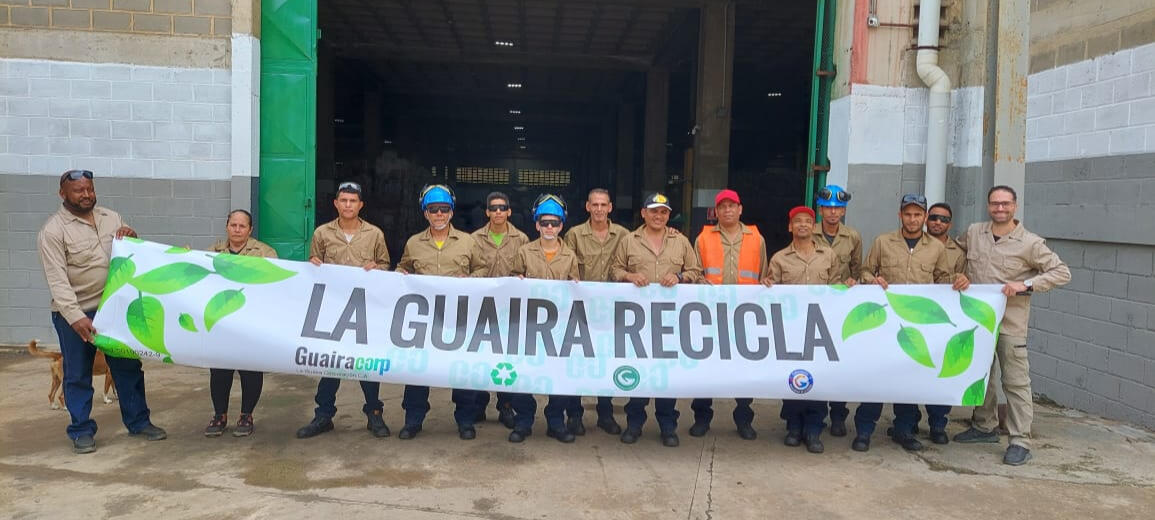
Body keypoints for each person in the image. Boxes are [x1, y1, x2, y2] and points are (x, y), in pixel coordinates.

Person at [37, 169, 167, 454]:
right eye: (79, 191)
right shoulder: (53, 231)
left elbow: (131, 250)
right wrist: (76, 318)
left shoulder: (111, 217)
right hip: (76, 313)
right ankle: (81, 431)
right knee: (77, 373)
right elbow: (57, 281)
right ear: (62, 194)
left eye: (90, 189)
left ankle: (139, 422)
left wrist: (132, 235)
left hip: (113, 308)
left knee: (127, 368)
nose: (86, 195)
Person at [952, 186, 1070, 466]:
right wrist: (958, 274)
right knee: (982, 376)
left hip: (1010, 323)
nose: (1000, 208)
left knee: (1015, 382)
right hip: (978, 321)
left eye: (1005, 204)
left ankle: (1020, 440)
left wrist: (1025, 284)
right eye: (995, 203)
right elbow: (954, 254)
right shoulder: (974, 233)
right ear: (988, 206)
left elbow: (1061, 272)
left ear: (1015, 206)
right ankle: (984, 426)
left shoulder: (1030, 243)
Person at [857, 194, 970, 453]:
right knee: (877, 376)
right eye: (907, 214)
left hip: (918, 324)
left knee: (909, 378)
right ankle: (864, 430)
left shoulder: (936, 248)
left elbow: (942, 279)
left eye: (917, 214)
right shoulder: (883, 242)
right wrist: (872, 280)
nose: (912, 219)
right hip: (886, 322)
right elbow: (865, 270)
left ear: (924, 217)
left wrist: (960, 280)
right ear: (900, 215)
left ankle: (904, 430)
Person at [296, 182, 393, 440]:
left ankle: (374, 413)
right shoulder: (322, 233)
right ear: (336, 204)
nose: (348, 205)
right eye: (344, 200)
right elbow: (313, 266)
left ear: (360, 205)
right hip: (333, 311)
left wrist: (378, 268)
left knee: (366, 364)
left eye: (353, 201)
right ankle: (323, 415)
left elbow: (385, 265)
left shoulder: (374, 234)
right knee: (331, 364)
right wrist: (313, 264)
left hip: (364, 310)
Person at [395, 184, 489, 440]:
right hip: (424, 320)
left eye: (444, 209)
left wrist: (469, 278)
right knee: (418, 370)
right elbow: (403, 268)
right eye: (433, 209)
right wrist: (399, 274)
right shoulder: (414, 243)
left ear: (451, 212)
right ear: (425, 213)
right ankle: (413, 420)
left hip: (459, 318)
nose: (439, 214)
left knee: (461, 370)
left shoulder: (467, 242)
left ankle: (465, 420)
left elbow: (482, 269)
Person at [609, 192, 703, 447]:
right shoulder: (629, 241)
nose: (658, 216)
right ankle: (634, 424)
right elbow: (614, 270)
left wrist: (680, 277)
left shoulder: (680, 241)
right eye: (653, 211)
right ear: (643, 213)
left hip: (670, 322)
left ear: (668, 215)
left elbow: (696, 271)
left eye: (663, 212)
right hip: (637, 323)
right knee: (638, 373)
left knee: (666, 376)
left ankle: (668, 426)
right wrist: (629, 276)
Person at [763, 206, 855, 453]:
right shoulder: (779, 258)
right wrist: (767, 285)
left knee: (817, 377)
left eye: (807, 221)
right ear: (790, 226)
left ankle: (814, 429)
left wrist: (846, 287)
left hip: (820, 328)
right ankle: (793, 426)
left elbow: (835, 287)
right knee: (792, 376)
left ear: (813, 227)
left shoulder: (828, 256)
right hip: (791, 329)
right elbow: (771, 291)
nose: (802, 224)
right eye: (797, 221)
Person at [689, 189, 769, 440]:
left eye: (732, 206)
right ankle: (702, 418)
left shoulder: (757, 238)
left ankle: (744, 418)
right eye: (722, 207)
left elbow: (763, 274)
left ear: (740, 209)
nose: (727, 210)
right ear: (716, 211)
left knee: (744, 369)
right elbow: (695, 272)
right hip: (710, 315)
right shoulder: (703, 238)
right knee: (706, 368)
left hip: (744, 315)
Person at [507, 194, 580, 444]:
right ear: (537, 224)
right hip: (528, 325)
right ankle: (523, 421)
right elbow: (514, 279)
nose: (550, 227)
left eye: (555, 223)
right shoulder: (524, 251)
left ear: (562, 226)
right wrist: (516, 280)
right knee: (524, 374)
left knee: (559, 375)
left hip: (559, 327)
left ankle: (556, 422)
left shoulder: (570, 256)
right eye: (545, 223)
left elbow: (575, 288)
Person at [202, 209, 277, 438]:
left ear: (250, 229)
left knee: (250, 369)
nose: (237, 230)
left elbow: (274, 282)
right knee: (220, 370)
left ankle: (246, 415)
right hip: (221, 322)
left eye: (242, 226)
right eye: (233, 225)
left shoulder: (265, 253)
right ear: (227, 226)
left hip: (251, 322)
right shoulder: (212, 252)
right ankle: (219, 415)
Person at [562, 188, 630, 435]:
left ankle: (605, 414)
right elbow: (565, 264)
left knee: (606, 361)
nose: (599, 209)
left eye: (603, 205)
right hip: (579, 309)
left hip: (612, 310)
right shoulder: (574, 235)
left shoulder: (624, 235)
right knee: (577, 362)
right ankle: (574, 415)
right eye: (595, 204)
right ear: (587, 207)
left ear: (610, 207)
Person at [471, 191, 530, 429]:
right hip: (480, 308)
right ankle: (479, 404)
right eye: (493, 208)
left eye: (502, 208)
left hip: (509, 311)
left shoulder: (522, 239)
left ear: (509, 211)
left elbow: (527, 270)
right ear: (487, 212)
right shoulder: (474, 239)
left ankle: (506, 405)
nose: (498, 212)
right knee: (480, 357)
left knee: (506, 358)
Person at [911, 202, 967, 444]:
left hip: (943, 320)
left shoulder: (959, 252)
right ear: (927, 219)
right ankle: (908, 422)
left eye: (943, 219)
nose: (937, 222)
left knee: (939, 373)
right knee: (912, 370)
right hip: (913, 316)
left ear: (949, 224)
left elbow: (961, 283)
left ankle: (937, 423)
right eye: (933, 217)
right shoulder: (907, 245)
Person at [814, 185, 864, 438]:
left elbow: (858, 269)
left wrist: (855, 282)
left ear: (843, 211)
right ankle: (816, 414)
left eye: (837, 208)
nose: (833, 213)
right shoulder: (808, 232)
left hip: (841, 309)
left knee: (839, 363)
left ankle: (838, 415)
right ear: (820, 210)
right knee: (817, 362)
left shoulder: (853, 237)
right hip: (815, 307)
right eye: (828, 208)